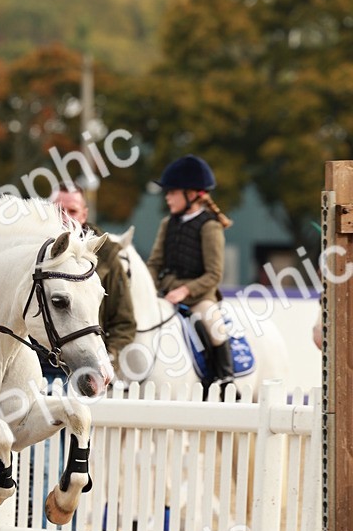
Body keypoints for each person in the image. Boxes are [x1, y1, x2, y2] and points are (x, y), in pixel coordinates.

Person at [146, 155, 235, 390]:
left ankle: (225, 379)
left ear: (193, 194)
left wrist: (185, 291)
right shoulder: (168, 223)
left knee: (214, 325)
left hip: (199, 297)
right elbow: (155, 262)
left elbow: (214, 274)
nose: (167, 197)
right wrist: (148, 287)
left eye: (172, 192)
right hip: (166, 292)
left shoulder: (210, 226)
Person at [49, 184, 136, 371]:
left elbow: (124, 322)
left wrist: (105, 362)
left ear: (84, 215)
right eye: (58, 210)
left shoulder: (107, 254)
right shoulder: (32, 250)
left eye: (72, 210)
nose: (65, 218)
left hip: (83, 366)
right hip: (36, 367)